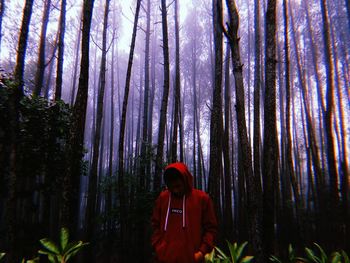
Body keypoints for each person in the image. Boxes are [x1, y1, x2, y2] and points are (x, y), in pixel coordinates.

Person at [151, 162, 218, 263]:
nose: (176, 190)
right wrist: (159, 249)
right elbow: (154, 226)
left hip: (192, 260)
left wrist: (201, 253)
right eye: (172, 187)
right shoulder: (163, 198)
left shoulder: (202, 199)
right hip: (164, 260)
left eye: (178, 186)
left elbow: (211, 230)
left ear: (185, 181)